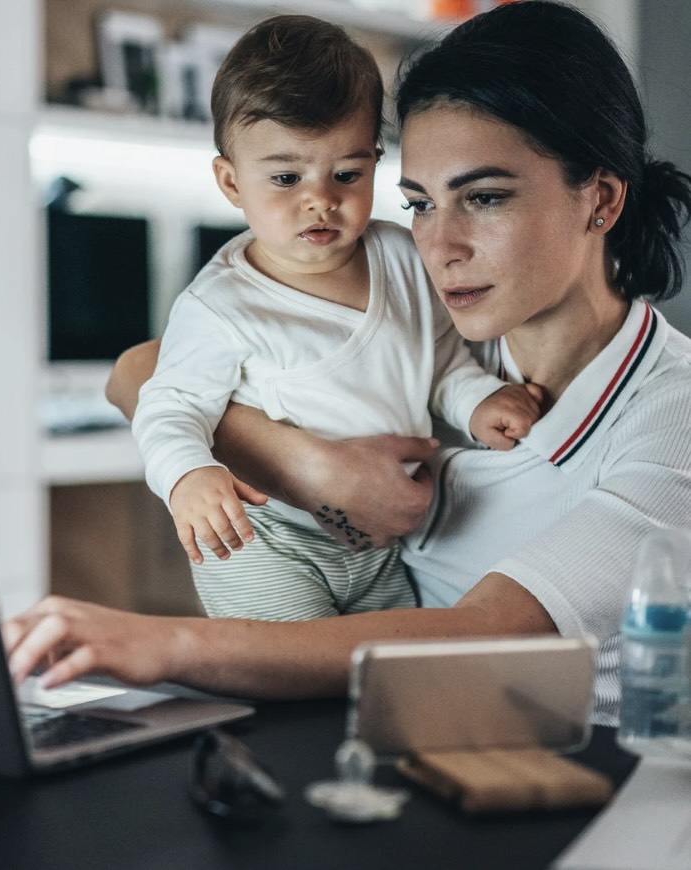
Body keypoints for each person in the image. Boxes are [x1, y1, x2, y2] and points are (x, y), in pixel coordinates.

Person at [5, 0, 691, 725]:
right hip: (401, 744)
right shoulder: (456, 317)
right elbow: (137, 370)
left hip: (570, 782)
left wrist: (164, 644)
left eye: (484, 197)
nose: (440, 246)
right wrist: (305, 465)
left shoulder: (670, 414)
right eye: (421, 204)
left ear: (602, 199)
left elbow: (486, 635)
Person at [132, 15, 540, 621]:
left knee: (381, 682)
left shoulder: (401, 256)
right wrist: (188, 475)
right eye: (286, 177)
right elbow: (168, 406)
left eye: (347, 174)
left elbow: (439, 360)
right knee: (286, 677)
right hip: (270, 541)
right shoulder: (219, 305)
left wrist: (477, 402)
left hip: (381, 550)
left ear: (377, 163)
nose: (320, 198)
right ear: (230, 182)